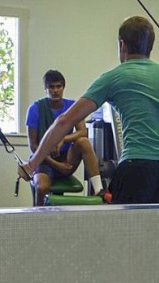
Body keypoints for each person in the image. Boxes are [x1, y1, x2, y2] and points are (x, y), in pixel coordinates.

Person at [24, 16, 159, 204]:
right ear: (150, 47)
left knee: (126, 236)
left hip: (139, 167)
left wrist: (32, 163)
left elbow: (64, 122)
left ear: (122, 45)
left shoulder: (113, 77)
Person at [25, 69, 105, 206]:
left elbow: (82, 132)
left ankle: (99, 189)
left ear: (63, 88)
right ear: (45, 89)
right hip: (45, 160)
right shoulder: (35, 109)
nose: (55, 90)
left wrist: (63, 139)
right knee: (41, 188)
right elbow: (33, 146)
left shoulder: (72, 106)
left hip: (66, 158)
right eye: (51, 87)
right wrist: (56, 164)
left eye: (58, 86)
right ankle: (38, 216)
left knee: (83, 142)